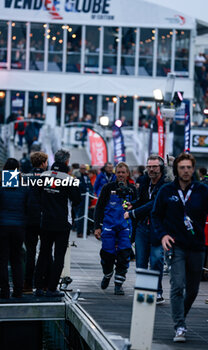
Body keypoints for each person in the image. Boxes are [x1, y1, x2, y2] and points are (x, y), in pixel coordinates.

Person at [151, 152, 208, 343]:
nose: (185, 171)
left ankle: (179, 315)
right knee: (177, 286)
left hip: (197, 245)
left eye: (189, 167)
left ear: (193, 169)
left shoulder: (202, 190)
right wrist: (163, 235)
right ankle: (180, 326)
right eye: (182, 167)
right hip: (175, 246)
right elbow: (156, 216)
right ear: (176, 169)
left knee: (192, 290)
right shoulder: (167, 191)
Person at [34, 149, 81, 297]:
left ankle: (39, 287)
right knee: (59, 256)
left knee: (43, 254)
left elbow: (36, 195)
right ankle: (52, 288)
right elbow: (77, 200)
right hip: (62, 223)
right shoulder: (69, 179)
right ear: (67, 161)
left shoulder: (44, 175)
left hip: (46, 221)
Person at [124, 155, 166, 304]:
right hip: (142, 226)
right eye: (149, 166)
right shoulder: (144, 181)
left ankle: (157, 292)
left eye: (154, 166)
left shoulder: (164, 184)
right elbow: (143, 201)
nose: (151, 169)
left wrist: (133, 213)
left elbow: (154, 204)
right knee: (141, 261)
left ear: (161, 168)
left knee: (156, 261)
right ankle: (143, 292)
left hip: (158, 227)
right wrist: (133, 204)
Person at [94, 162, 137, 295]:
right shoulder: (108, 187)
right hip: (108, 227)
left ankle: (118, 284)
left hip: (125, 228)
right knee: (107, 255)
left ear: (127, 173)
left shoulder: (132, 189)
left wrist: (134, 232)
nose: (121, 175)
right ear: (115, 173)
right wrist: (97, 227)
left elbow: (137, 209)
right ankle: (107, 274)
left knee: (124, 255)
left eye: (123, 172)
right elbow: (99, 207)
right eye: (118, 172)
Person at [0, 158, 28, 299]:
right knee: (17, 259)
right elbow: (27, 207)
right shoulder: (23, 186)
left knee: (2, 260)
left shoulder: (1, 185)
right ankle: (18, 291)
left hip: (3, 227)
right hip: (19, 227)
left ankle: (4, 291)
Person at [23, 151, 48, 294]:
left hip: (28, 219)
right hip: (44, 219)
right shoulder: (48, 178)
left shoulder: (24, 177)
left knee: (30, 253)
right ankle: (43, 284)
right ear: (43, 163)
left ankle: (27, 285)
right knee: (45, 251)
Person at [76, 164, 93, 238]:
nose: (83, 170)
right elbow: (79, 187)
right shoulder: (78, 177)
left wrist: (91, 193)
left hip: (87, 198)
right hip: (81, 198)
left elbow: (90, 186)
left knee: (87, 215)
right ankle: (79, 231)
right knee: (81, 215)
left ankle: (85, 231)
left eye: (84, 168)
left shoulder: (87, 177)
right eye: (82, 168)